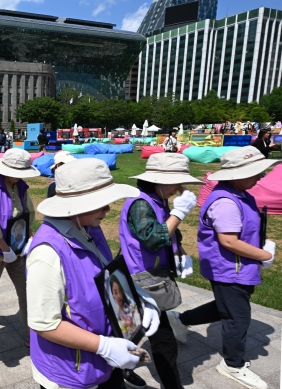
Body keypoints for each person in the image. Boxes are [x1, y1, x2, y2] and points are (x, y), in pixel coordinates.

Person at [27, 159, 160, 389]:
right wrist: (104, 346)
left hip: (102, 362)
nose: (108, 210)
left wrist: (138, 299)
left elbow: (105, 274)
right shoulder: (47, 253)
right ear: (76, 204)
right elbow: (45, 324)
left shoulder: (89, 228)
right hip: (69, 371)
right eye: (100, 203)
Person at [166, 146, 279, 389]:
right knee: (238, 318)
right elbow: (228, 241)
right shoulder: (226, 201)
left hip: (238, 266)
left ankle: (179, 319)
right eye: (255, 172)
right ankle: (232, 364)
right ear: (235, 174)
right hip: (229, 269)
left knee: (226, 306)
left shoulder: (240, 192)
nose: (260, 176)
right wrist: (264, 254)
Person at [118, 153, 201, 389]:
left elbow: (170, 232)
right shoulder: (141, 203)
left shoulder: (158, 198)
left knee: (133, 327)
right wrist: (179, 213)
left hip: (148, 276)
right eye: (176, 182)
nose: (179, 188)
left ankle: (119, 364)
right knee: (162, 340)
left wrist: (181, 252)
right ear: (158, 180)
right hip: (141, 278)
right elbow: (154, 239)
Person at [0, 148, 37, 337]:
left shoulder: (21, 186)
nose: (18, 177)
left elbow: (28, 213)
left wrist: (29, 237)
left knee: (26, 287)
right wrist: (5, 249)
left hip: (18, 247)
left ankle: (30, 327)